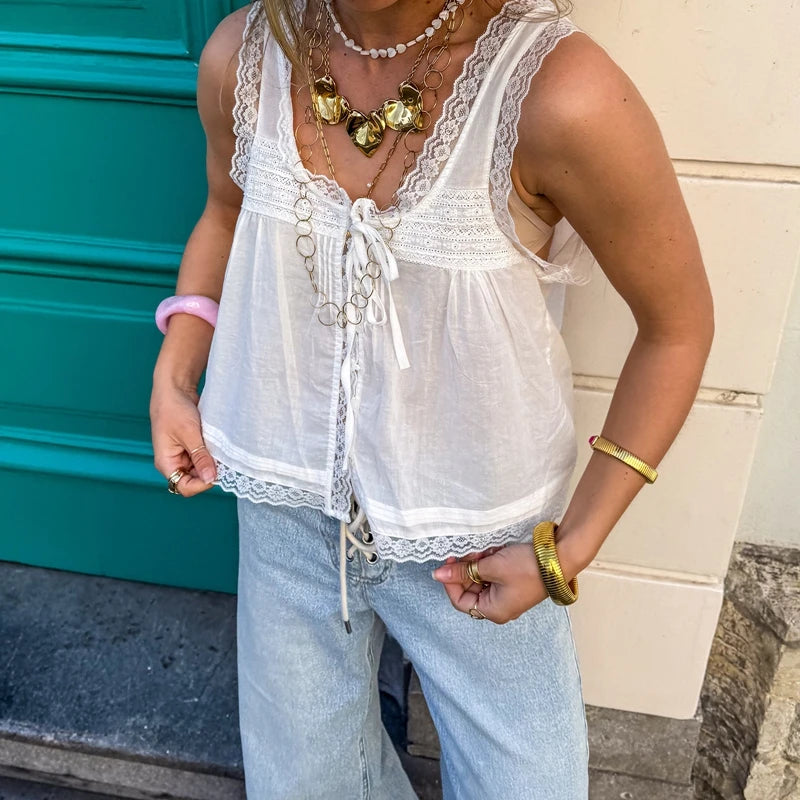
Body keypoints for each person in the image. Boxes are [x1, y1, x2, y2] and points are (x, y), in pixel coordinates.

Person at [149, 0, 714, 797]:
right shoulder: (242, 57)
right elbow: (226, 210)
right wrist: (176, 374)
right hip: (284, 510)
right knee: (304, 784)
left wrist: (566, 551)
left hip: (479, 541)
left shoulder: (558, 91)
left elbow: (678, 329)